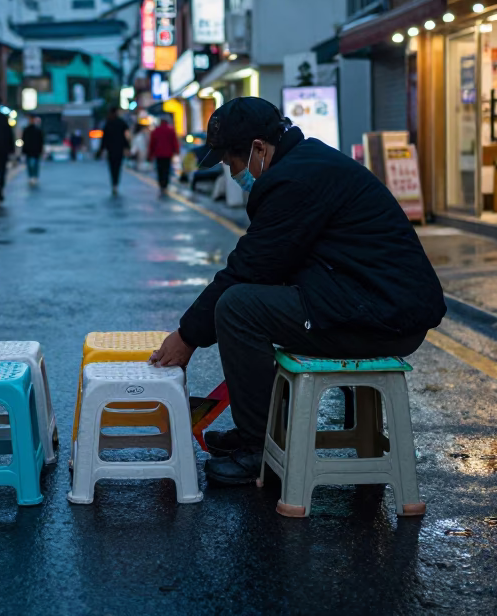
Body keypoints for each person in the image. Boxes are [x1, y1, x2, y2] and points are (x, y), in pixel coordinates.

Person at [148, 97, 446, 485]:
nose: (233, 173)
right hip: (369, 301)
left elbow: (248, 267)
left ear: (258, 148)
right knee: (249, 299)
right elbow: (271, 263)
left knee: (237, 308)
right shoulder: (305, 162)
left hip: (381, 315)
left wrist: (187, 337)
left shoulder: (294, 180)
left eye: (232, 163)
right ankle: (263, 431)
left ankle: (259, 448)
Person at [97, 106, 131, 196]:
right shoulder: (121, 122)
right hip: (119, 149)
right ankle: (116, 183)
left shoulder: (108, 123)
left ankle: (114, 184)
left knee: (112, 168)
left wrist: (100, 150)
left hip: (111, 150)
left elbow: (104, 139)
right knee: (117, 167)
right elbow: (126, 136)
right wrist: (127, 147)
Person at [148, 116, 181, 198]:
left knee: (160, 170)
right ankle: (165, 185)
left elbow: (152, 144)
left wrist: (150, 155)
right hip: (168, 154)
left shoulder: (156, 130)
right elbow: (174, 142)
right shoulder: (170, 130)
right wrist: (176, 151)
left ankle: (161, 185)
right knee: (166, 170)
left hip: (159, 154)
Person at [21, 115, 45, 185]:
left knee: (34, 164)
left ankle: (33, 176)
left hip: (34, 150)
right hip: (31, 150)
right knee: (31, 164)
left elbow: (41, 141)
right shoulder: (28, 130)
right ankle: (32, 176)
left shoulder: (36, 130)